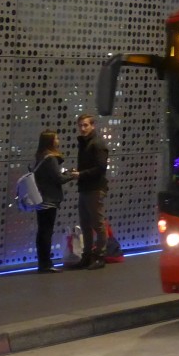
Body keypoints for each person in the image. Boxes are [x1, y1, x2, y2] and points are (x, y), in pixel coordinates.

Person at [70, 113, 110, 270]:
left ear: (93, 126)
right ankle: (87, 255)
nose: (82, 128)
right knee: (85, 224)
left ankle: (100, 256)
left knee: (97, 224)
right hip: (86, 187)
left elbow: (100, 168)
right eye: (80, 125)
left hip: (94, 188)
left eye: (86, 125)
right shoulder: (85, 142)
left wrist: (80, 174)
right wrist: (79, 173)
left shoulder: (97, 143)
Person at [32, 130, 75, 273]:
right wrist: (72, 175)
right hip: (49, 200)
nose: (58, 140)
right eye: (56, 138)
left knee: (42, 232)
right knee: (46, 232)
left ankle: (42, 263)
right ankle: (46, 264)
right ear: (50, 141)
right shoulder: (50, 158)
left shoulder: (41, 156)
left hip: (40, 199)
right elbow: (59, 179)